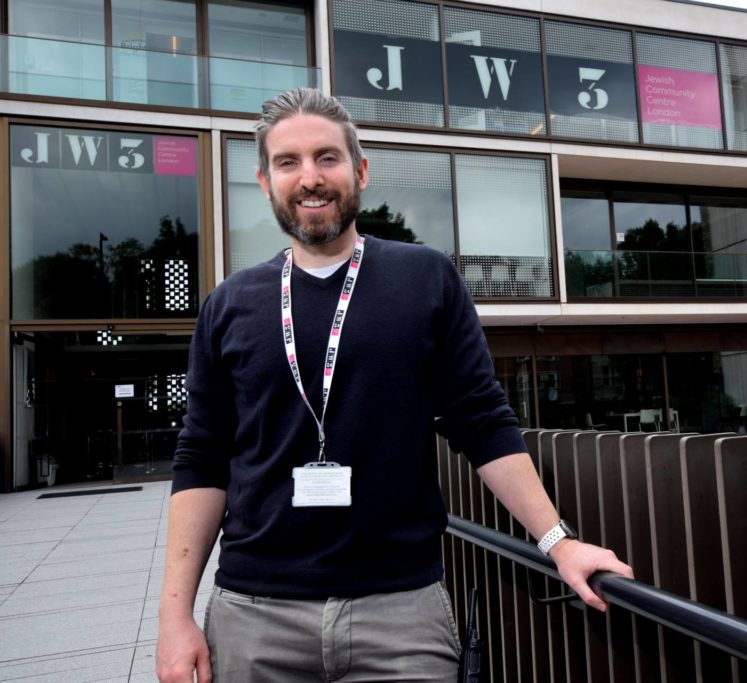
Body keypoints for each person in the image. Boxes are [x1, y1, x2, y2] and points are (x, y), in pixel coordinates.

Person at [156, 87, 632, 683]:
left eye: (327, 158)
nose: (310, 178)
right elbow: (201, 458)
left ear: (359, 170)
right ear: (265, 182)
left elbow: (481, 421)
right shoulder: (227, 305)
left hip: (401, 613)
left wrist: (560, 543)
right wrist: (175, 618)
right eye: (288, 162)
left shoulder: (426, 278)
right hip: (255, 613)